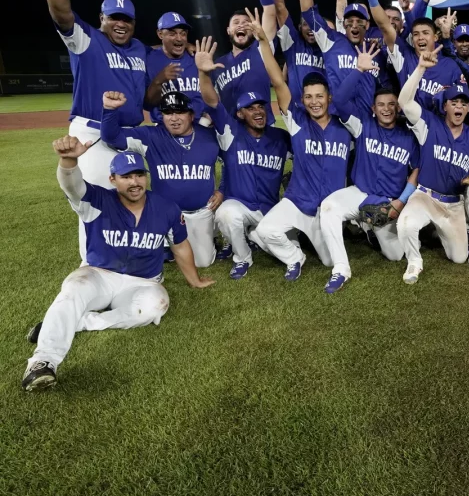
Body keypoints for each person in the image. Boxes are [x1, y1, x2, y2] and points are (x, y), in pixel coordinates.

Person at [22, 140, 213, 392]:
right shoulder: (97, 200)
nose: (134, 182)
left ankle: (77, 323)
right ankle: (42, 362)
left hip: (143, 282)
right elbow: (71, 185)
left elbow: (179, 245)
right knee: (73, 291)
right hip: (99, 275)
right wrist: (69, 161)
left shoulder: (166, 207)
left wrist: (195, 280)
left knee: (155, 307)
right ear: (113, 179)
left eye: (139, 175)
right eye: (126, 177)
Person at [40, 0, 149, 262]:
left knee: (135, 194)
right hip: (91, 133)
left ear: (133, 23)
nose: (120, 24)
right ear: (101, 19)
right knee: (95, 199)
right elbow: (61, 13)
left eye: (126, 19)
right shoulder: (86, 40)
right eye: (113, 17)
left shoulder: (140, 49)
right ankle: (94, 264)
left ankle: (133, 254)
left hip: (130, 134)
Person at [248, 7, 348, 280]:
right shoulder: (297, 120)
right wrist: (262, 42)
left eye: (319, 96)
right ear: (302, 100)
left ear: (329, 98)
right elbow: (277, 80)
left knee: (329, 261)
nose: (314, 101)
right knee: (264, 232)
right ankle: (295, 257)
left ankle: (306, 240)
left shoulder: (345, 125)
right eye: (308, 97)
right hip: (297, 201)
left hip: (325, 211)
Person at [319, 43, 420, 293]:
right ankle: (341, 268)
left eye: (391, 104)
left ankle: (370, 228)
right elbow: (340, 100)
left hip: (388, 203)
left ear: (398, 108)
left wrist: (401, 201)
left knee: (396, 256)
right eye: (381, 105)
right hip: (360, 193)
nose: (386, 109)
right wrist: (358, 70)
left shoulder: (408, 136)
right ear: (373, 109)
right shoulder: (363, 125)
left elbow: (417, 170)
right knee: (329, 207)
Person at [193, 39, 292, 280]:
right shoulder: (230, 132)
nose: (258, 111)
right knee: (227, 214)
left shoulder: (280, 137)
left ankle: (255, 235)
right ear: (239, 113)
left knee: (287, 246)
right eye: (250, 108)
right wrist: (203, 74)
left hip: (270, 208)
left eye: (261, 106)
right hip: (240, 205)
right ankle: (242, 257)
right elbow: (211, 101)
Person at [100, 82, 223, 269]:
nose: (173, 118)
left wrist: (222, 190)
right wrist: (109, 110)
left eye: (179, 112)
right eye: (167, 113)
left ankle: (206, 235)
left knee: (203, 262)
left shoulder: (209, 136)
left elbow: (232, 162)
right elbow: (112, 137)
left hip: (200, 211)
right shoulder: (151, 135)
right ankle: (165, 242)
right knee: (143, 257)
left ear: (191, 115)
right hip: (163, 214)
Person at [396, 47, 469, 283]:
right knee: (406, 224)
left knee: (459, 258)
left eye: (463, 103)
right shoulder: (429, 123)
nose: (458, 106)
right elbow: (404, 101)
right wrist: (420, 69)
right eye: (453, 102)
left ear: (468, 108)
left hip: (454, 205)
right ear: (445, 106)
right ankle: (414, 262)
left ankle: (441, 232)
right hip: (425, 198)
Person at [211, 0, 278, 123]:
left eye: (246, 22)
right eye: (236, 23)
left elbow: (270, 11)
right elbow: (213, 102)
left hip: (264, 133)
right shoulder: (217, 65)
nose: (241, 25)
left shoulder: (262, 49)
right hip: (232, 136)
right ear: (228, 30)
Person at [144, 12, 205, 125]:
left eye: (183, 34)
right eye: (172, 34)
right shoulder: (149, 59)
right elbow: (148, 104)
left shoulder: (196, 57)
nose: (179, 38)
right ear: (160, 34)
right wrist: (158, 81)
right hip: (165, 129)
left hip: (198, 125)